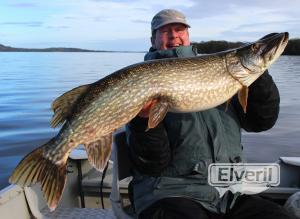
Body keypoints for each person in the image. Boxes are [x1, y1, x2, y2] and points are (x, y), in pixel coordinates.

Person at [125, 9, 293, 219]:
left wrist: (259, 76)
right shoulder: (142, 80)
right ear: (153, 39)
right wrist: (142, 122)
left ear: (188, 35)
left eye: (179, 29)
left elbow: (261, 122)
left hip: (228, 195)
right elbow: (151, 164)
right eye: (165, 31)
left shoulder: (225, 75)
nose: (174, 35)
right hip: (168, 194)